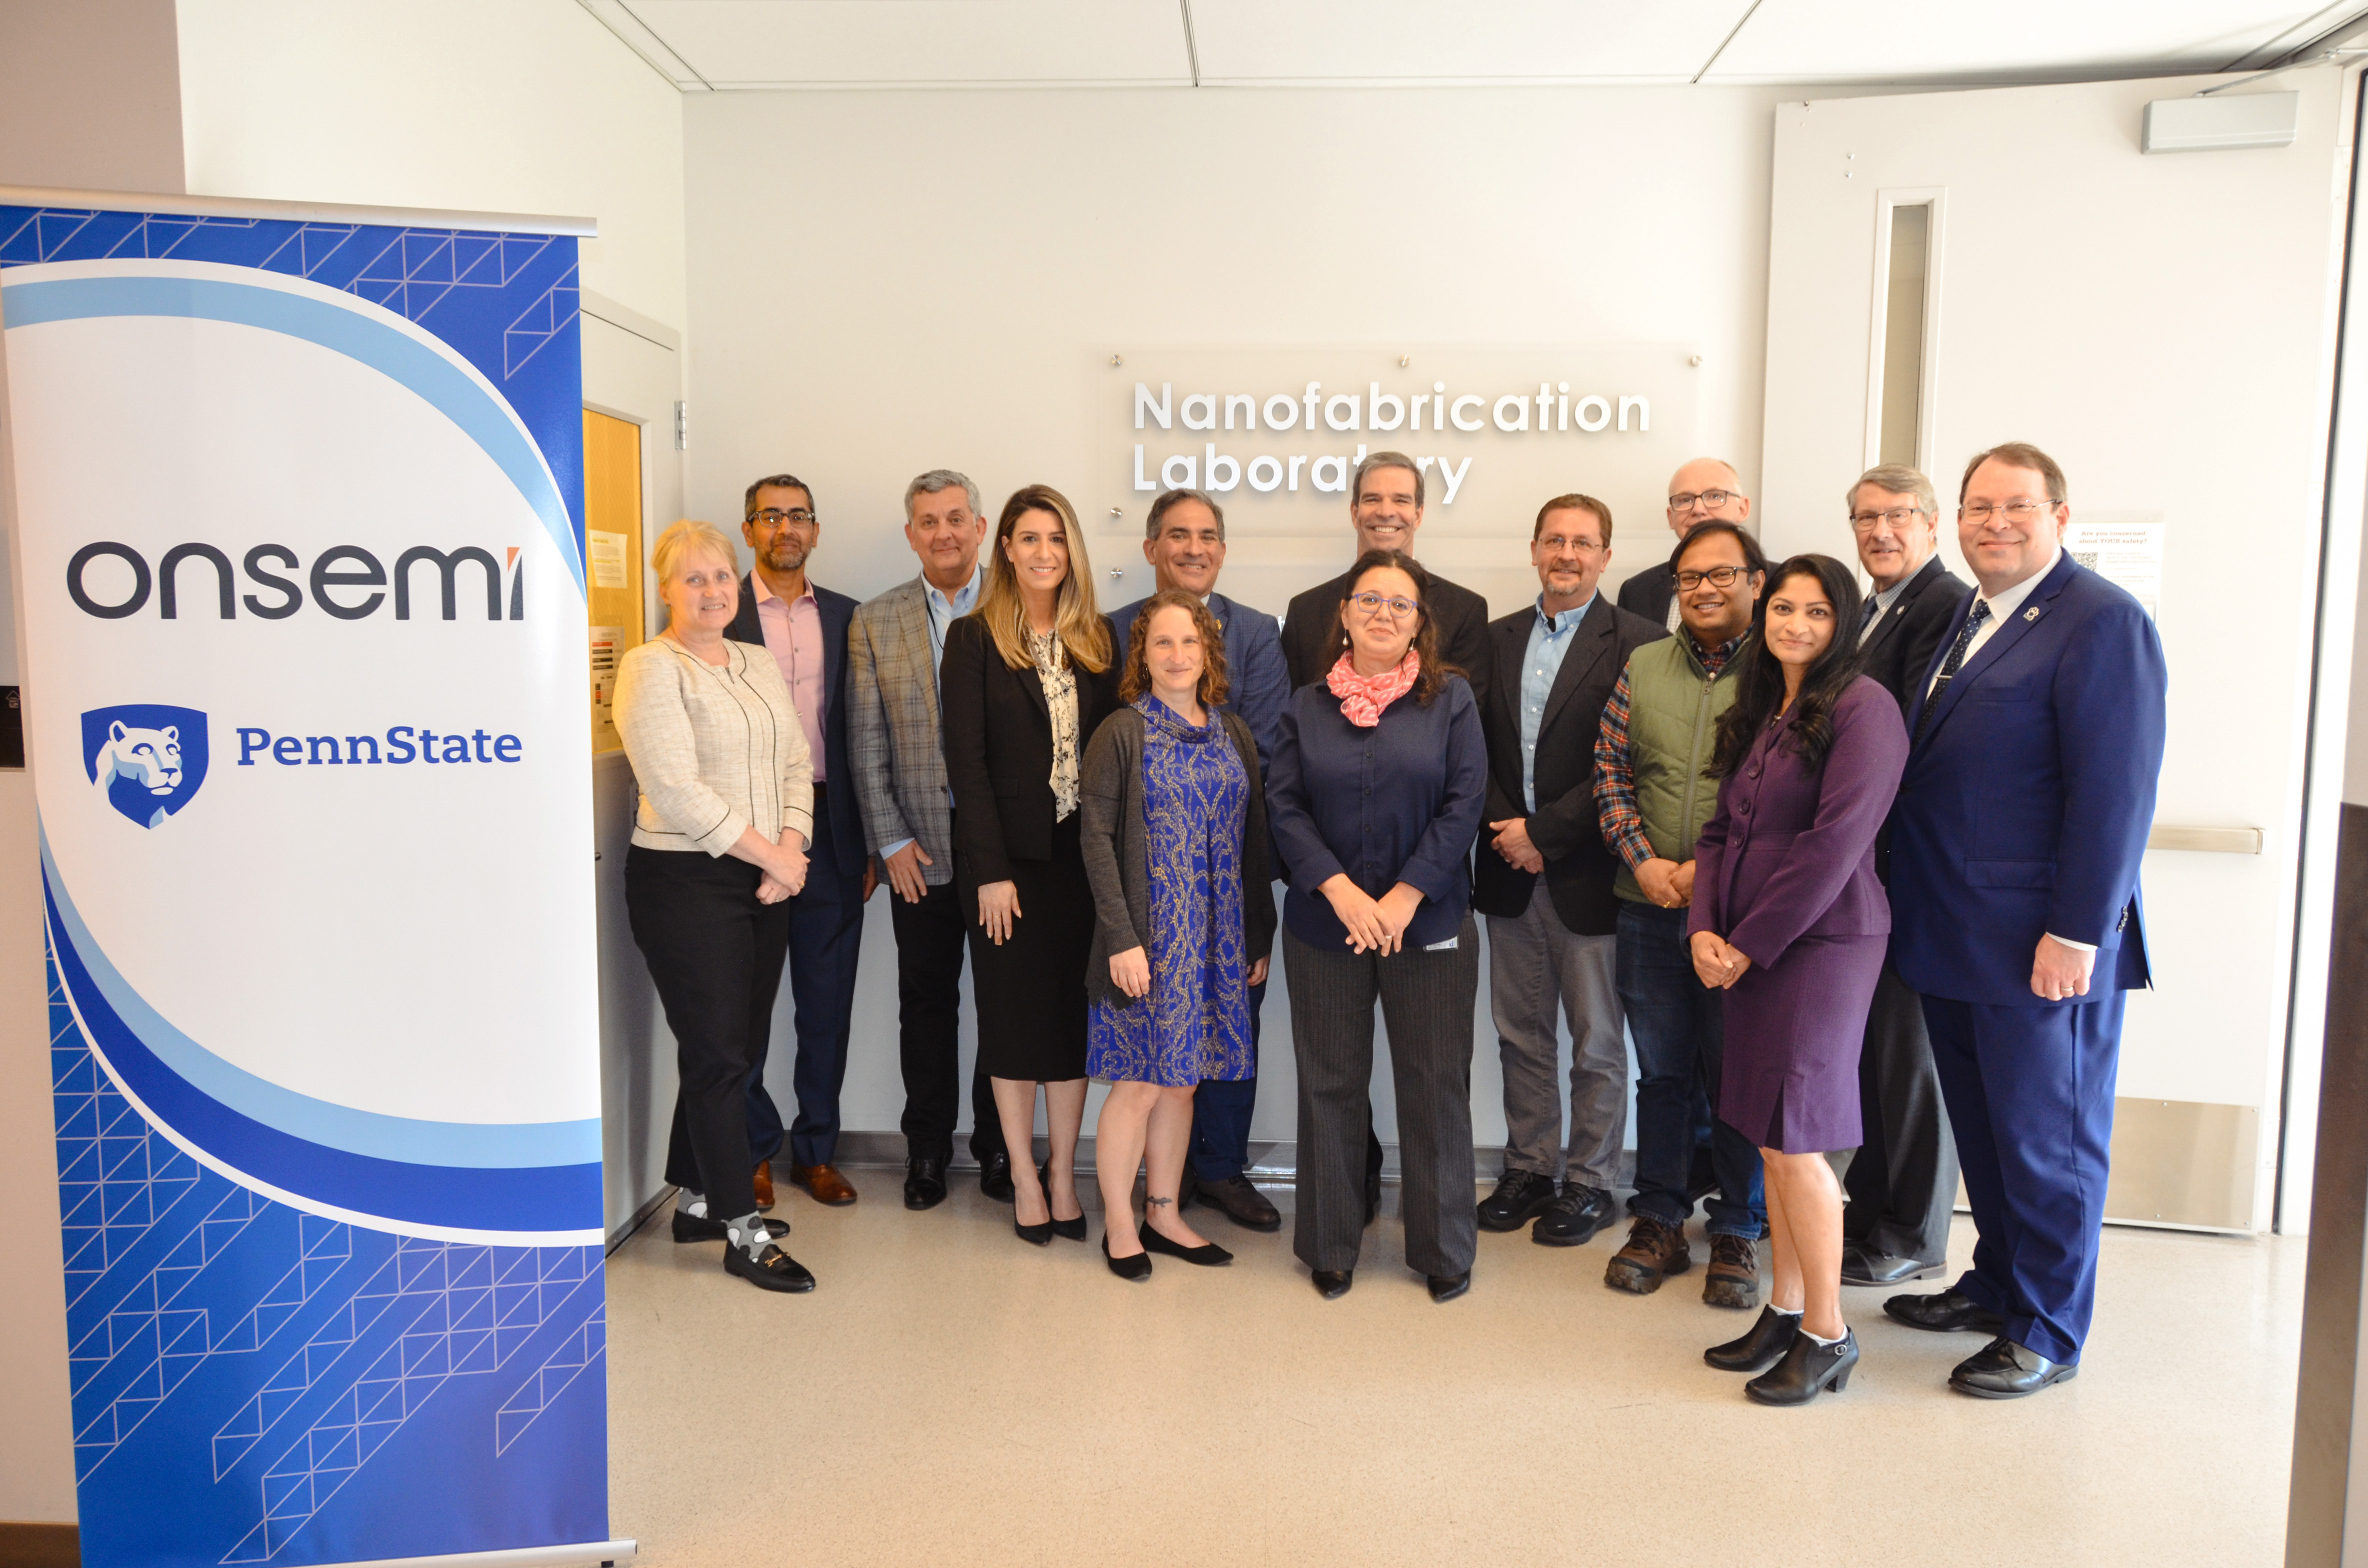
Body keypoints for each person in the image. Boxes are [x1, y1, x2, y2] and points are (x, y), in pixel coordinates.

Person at [1884, 442, 2167, 1399]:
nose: (1992, 524)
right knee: (1990, 1135)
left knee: (2049, 1144)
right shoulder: (1969, 615)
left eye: (2014, 507)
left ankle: (2048, 1327)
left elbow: (2112, 796)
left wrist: (2077, 932)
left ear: (2060, 515)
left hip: (2041, 944)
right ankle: (2000, 1284)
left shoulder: (2101, 622)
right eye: (1976, 508)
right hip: (1954, 935)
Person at [1688, 553, 1909, 1404]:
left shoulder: (1864, 707)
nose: (1795, 625)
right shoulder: (1764, 706)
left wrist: (1746, 941)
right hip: (1748, 943)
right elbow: (1716, 834)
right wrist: (1704, 926)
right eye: (1783, 607)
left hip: (1819, 944)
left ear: (1841, 621)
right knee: (1768, 1136)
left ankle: (1828, 1331)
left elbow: (1833, 844)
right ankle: (1783, 1306)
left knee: (1801, 1139)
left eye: (1817, 612)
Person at [1269, 550, 1487, 1303]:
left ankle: (1443, 1247)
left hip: (1426, 927)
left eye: (1400, 604)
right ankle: (1330, 1243)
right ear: (1346, 614)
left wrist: (1399, 900)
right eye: (1370, 601)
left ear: (1421, 621)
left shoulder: (1451, 702)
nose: (1383, 614)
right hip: (1326, 926)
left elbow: (1465, 804)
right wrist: (1340, 891)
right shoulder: (1304, 706)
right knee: (1330, 1083)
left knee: (1434, 1085)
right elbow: (1284, 807)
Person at [614, 519, 815, 1293]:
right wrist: (776, 858)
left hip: (767, 876)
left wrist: (789, 849)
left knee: (732, 1047)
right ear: (664, 590)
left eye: (721, 577)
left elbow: (796, 760)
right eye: (692, 579)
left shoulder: (756, 660)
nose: (710, 591)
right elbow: (673, 788)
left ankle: (697, 1199)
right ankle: (741, 1229)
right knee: (719, 1054)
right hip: (687, 882)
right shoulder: (650, 667)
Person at [1471, 494, 1665, 1247]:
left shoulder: (1639, 643)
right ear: (1533, 549)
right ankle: (1529, 1168)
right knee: (1520, 1034)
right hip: (1507, 869)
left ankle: (1590, 1182)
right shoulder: (1495, 639)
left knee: (1597, 1043)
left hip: (1589, 874)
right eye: (1554, 540)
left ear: (1606, 557)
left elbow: (1627, 760)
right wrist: (1509, 834)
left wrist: (1544, 836)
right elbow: (1474, 750)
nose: (1567, 554)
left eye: (1583, 543)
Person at [940, 484, 1123, 1247]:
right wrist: (988, 871)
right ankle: (1020, 1171)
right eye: (1029, 538)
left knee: (1069, 1025)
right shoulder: (974, 639)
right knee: (1013, 1024)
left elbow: (1115, 759)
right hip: (1007, 869)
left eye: (1057, 539)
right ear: (1005, 549)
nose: (1044, 552)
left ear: (1071, 550)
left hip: (1082, 864)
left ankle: (1061, 1172)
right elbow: (968, 765)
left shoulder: (1099, 641)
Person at [1594, 520, 1770, 1310]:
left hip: (1738, 914)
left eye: (1721, 574)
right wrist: (1643, 861)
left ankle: (1738, 1224)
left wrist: (1710, 874)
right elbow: (1609, 772)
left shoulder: (1782, 673)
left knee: (1738, 1075)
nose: (1703, 588)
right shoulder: (1641, 665)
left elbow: (1786, 798)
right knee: (1661, 1072)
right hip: (1646, 905)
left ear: (1754, 583)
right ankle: (1659, 1214)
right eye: (1689, 576)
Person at [1081, 592, 1279, 1279]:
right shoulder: (1121, 732)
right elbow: (1097, 840)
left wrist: (1257, 935)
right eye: (1162, 644)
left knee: (1184, 1086)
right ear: (1143, 655)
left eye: (1189, 644)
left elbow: (1254, 842)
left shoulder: (1235, 733)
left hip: (1218, 941)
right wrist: (1120, 939)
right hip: (1149, 941)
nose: (1177, 656)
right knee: (1138, 1084)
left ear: (1209, 654)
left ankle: (1164, 1213)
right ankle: (1120, 1223)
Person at [1110, 488, 1290, 1233]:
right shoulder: (1112, 629)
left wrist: (1253, 905)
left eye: (1207, 535)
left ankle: (1216, 1168)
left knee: (1226, 1026)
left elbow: (1271, 746)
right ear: (1151, 548)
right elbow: (1109, 772)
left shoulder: (1258, 630)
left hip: (1227, 879)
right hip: (1149, 888)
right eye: (1177, 535)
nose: (1193, 547)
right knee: (1153, 1054)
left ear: (1223, 548)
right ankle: (1155, 1192)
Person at [847, 470, 1011, 1210]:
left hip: (1003, 855)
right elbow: (866, 740)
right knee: (927, 1005)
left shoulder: (1019, 608)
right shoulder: (875, 621)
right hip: (918, 853)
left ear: (981, 528)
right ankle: (926, 1151)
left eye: (956, 518)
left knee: (1004, 1002)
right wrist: (889, 841)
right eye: (927, 521)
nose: (943, 532)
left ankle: (999, 1146)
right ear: (911, 534)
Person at [1838, 464, 1971, 1287]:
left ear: (1929, 523)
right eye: (1864, 518)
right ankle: (1871, 1211)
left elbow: (1899, 727)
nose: (1878, 531)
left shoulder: (1943, 605)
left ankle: (1914, 1230)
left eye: (1896, 516)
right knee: (1873, 1057)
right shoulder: (1866, 608)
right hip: (1865, 870)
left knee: (1910, 1057)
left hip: (1905, 867)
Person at [726, 473, 873, 1210]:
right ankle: (752, 1151)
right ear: (749, 529)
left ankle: (816, 1151)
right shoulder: (719, 612)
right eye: (771, 515)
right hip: (747, 836)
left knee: (827, 1006)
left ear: (816, 530)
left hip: (832, 833)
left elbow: (863, 736)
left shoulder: (850, 617)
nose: (786, 527)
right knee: (747, 1003)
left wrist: (874, 842)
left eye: (799, 516)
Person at [1616, 458, 1753, 632]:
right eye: (1685, 500)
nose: (1698, 509)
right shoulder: (1637, 591)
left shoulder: (1778, 583)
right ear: (1670, 517)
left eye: (1715, 496)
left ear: (1743, 509)